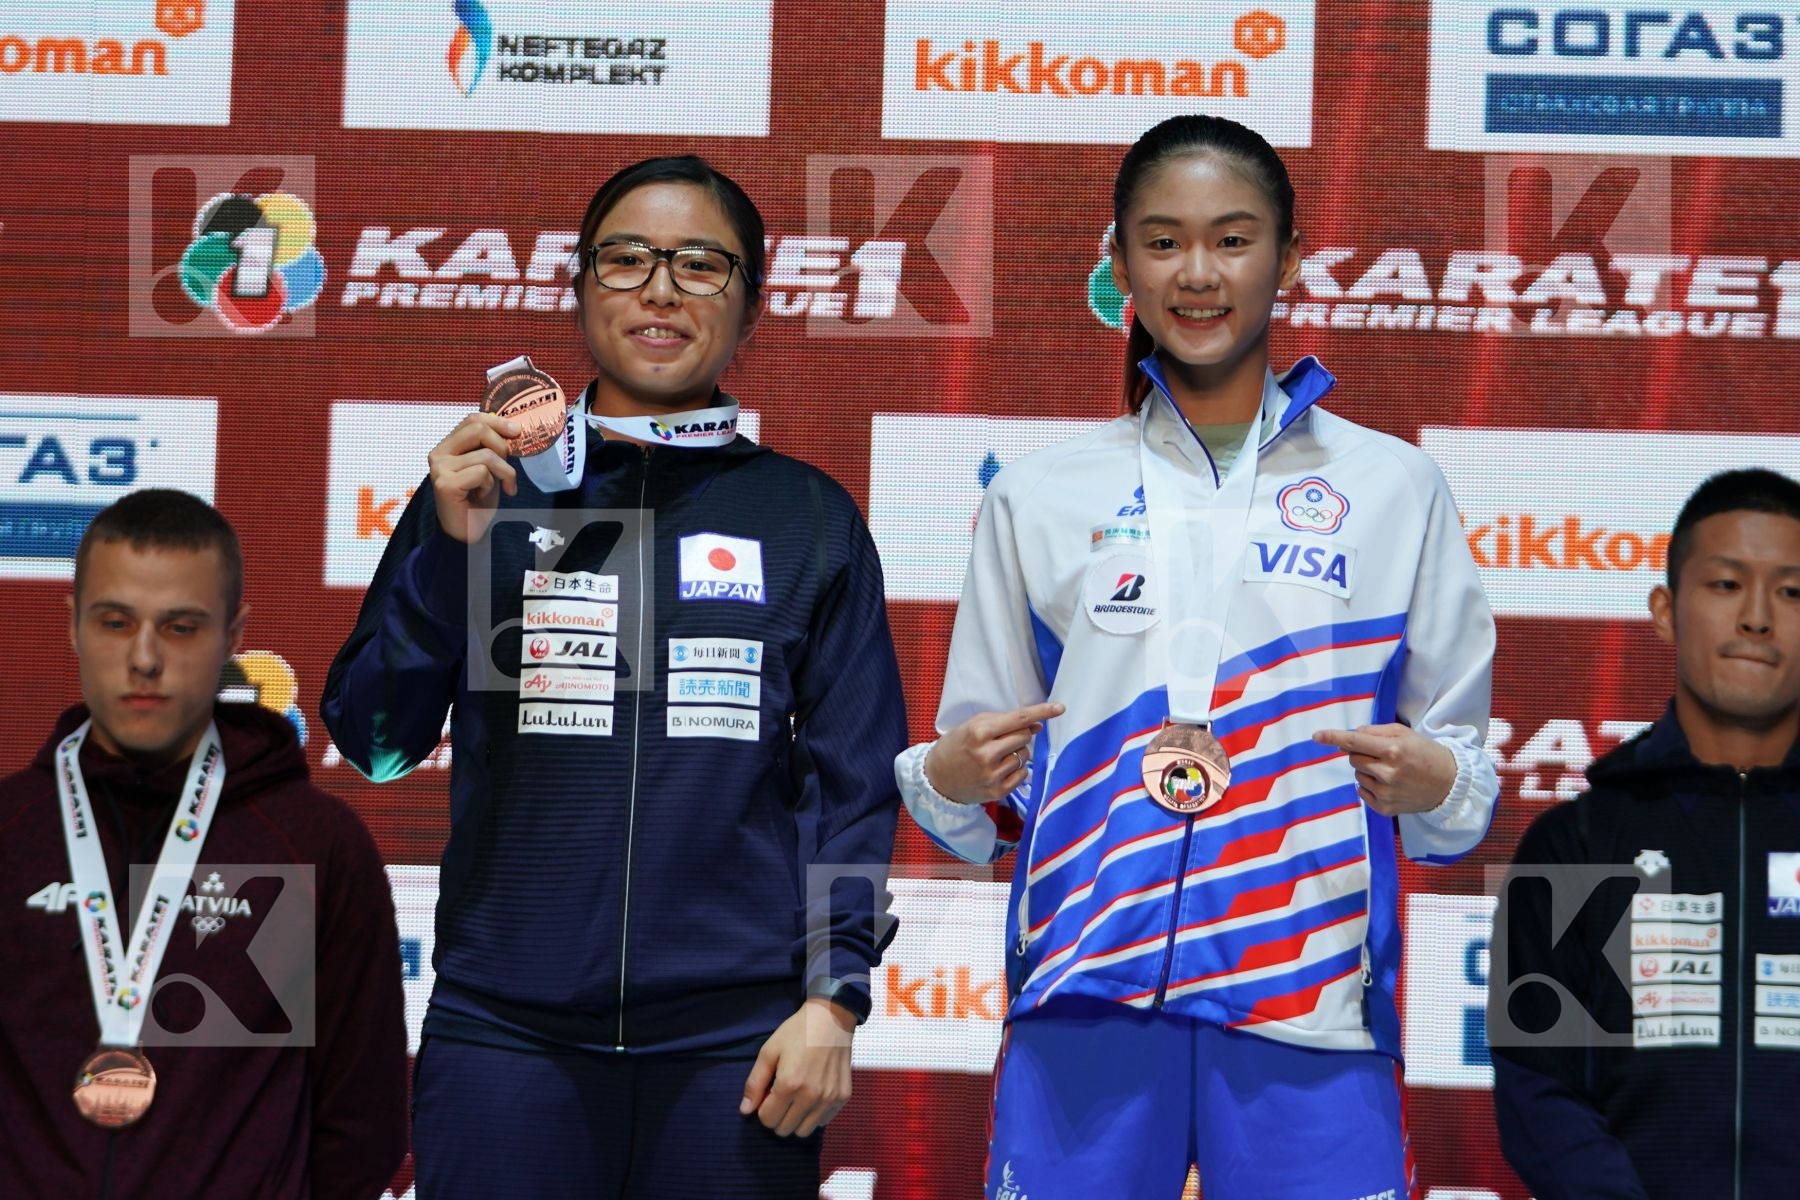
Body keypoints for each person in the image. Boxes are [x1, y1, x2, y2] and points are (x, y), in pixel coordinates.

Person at [897, 114, 1498, 1199]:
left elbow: (1459, 782)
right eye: (1163, 241)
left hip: (1308, 1002)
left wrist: (1438, 776)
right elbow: (969, 786)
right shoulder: (1036, 493)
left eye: (1233, 237)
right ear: (1116, 260)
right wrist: (946, 778)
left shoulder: (1396, 488)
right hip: (1084, 996)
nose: (1199, 273)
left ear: (1291, 255)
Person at [322, 155, 906, 1198]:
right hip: (506, 1037)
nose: (660, 288)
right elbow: (375, 743)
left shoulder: (808, 519)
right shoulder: (485, 489)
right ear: (582, 287)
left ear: (754, 303)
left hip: (735, 1049)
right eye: (626, 259)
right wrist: (449, 553)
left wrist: (835, 998)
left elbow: (851, 789)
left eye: (701, 264)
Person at [0, 488, 408, 1199]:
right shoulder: (10, 833)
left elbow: (363, 1120)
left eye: (181, 627)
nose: (146, 658)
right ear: (72, 625)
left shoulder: (314, 845)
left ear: (233, 635)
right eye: (116, 622)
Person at [1489, 468, 1800, 1200]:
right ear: (1665, 609)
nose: (1758, 616)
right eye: (1726, 584)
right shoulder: (1576, 841)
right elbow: (1536, 1086)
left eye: (1793, 592)